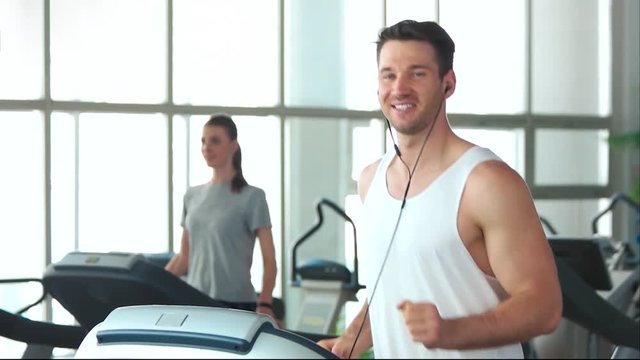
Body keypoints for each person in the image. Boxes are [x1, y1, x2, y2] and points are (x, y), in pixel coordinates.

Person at [318, 20, 562, 358]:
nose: (399, 88)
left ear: (447, 84)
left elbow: (544, 306)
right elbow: (389, 288)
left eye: (416, 73)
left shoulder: (487, 182)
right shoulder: (370, 181)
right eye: (388, 75)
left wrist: (450, 331)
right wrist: (352, 339)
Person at [164, 113, 278, 323]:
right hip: (194, 301)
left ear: (233, 145)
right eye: (203, 141)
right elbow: (183, 258)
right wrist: (153, 287)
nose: (206, 147)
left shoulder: (253, 197)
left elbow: (269, 260)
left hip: (236, 305)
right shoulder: (192, 196)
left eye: (215, 141)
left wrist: (265, 302)